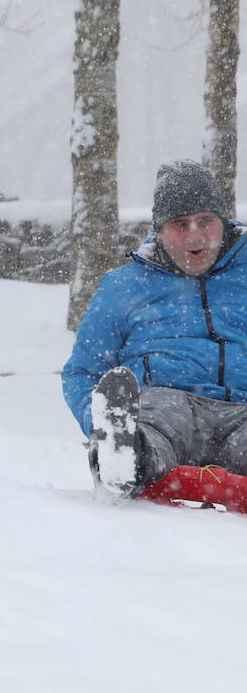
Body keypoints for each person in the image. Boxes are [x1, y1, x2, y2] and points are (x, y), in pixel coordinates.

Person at [63, 159, 247, 500]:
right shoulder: (124, 286)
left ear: (223, 223)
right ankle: (125, 453)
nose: (194, 235)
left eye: (205, 221)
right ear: (159, 232)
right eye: (179, 224)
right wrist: (97, 423)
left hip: (243, 410)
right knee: (159, 417)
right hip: (165, 401)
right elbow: (83, 371)